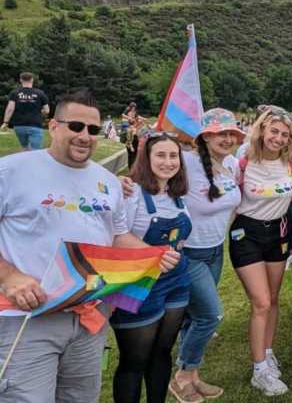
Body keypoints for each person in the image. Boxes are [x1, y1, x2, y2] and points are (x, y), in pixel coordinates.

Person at [0, 89, 178, 403]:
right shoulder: (12, 171)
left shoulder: (107, 181)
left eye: (93, 130)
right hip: (28, 317)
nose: (85, 136)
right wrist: (9, 277)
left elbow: (117, 236)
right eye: (76, 126)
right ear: (53, 125)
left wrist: (152, 255)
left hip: (89, 315)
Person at [111, 131, 192, 403]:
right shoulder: (131, 192)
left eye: (173, 156)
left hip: (176, 281)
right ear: (146, 158)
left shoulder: (176, 192)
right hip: (138, 283)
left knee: (162, 352)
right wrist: (154, 253)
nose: (168, 162)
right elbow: (115, 237)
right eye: (161, 155)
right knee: (134, 361)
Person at [171, 108, 244, 402]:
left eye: (231, 134)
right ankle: (181, 377)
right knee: (210, 315)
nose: (227, 139)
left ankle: (193, 376)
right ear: (205, 136)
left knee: (194, 316)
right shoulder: (186, 162)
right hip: (189, 252)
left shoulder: (231, 165)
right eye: (220, 133)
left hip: (215, 249)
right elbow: (151, 176)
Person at [230, 106, 292, 395]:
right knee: (260, 301)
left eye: (285, 135)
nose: (279, 138)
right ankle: (259, 370)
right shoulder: (244, 159)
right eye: (274, 131)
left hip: (280, 232)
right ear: (262, 129)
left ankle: (268, 352)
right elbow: (229, 193)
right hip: (247, 233)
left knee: (272, 299)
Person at [2, 72, 50, 150]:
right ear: (32, 80)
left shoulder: (15, 93)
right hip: (35, 125)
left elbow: (10, 109)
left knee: (25, 148)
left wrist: (5, 122)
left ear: (21, 80)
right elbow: (47, 110)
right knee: (35, 151)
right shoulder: (40, 93)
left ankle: (26, 159)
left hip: (19, 126)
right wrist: (39, 113)